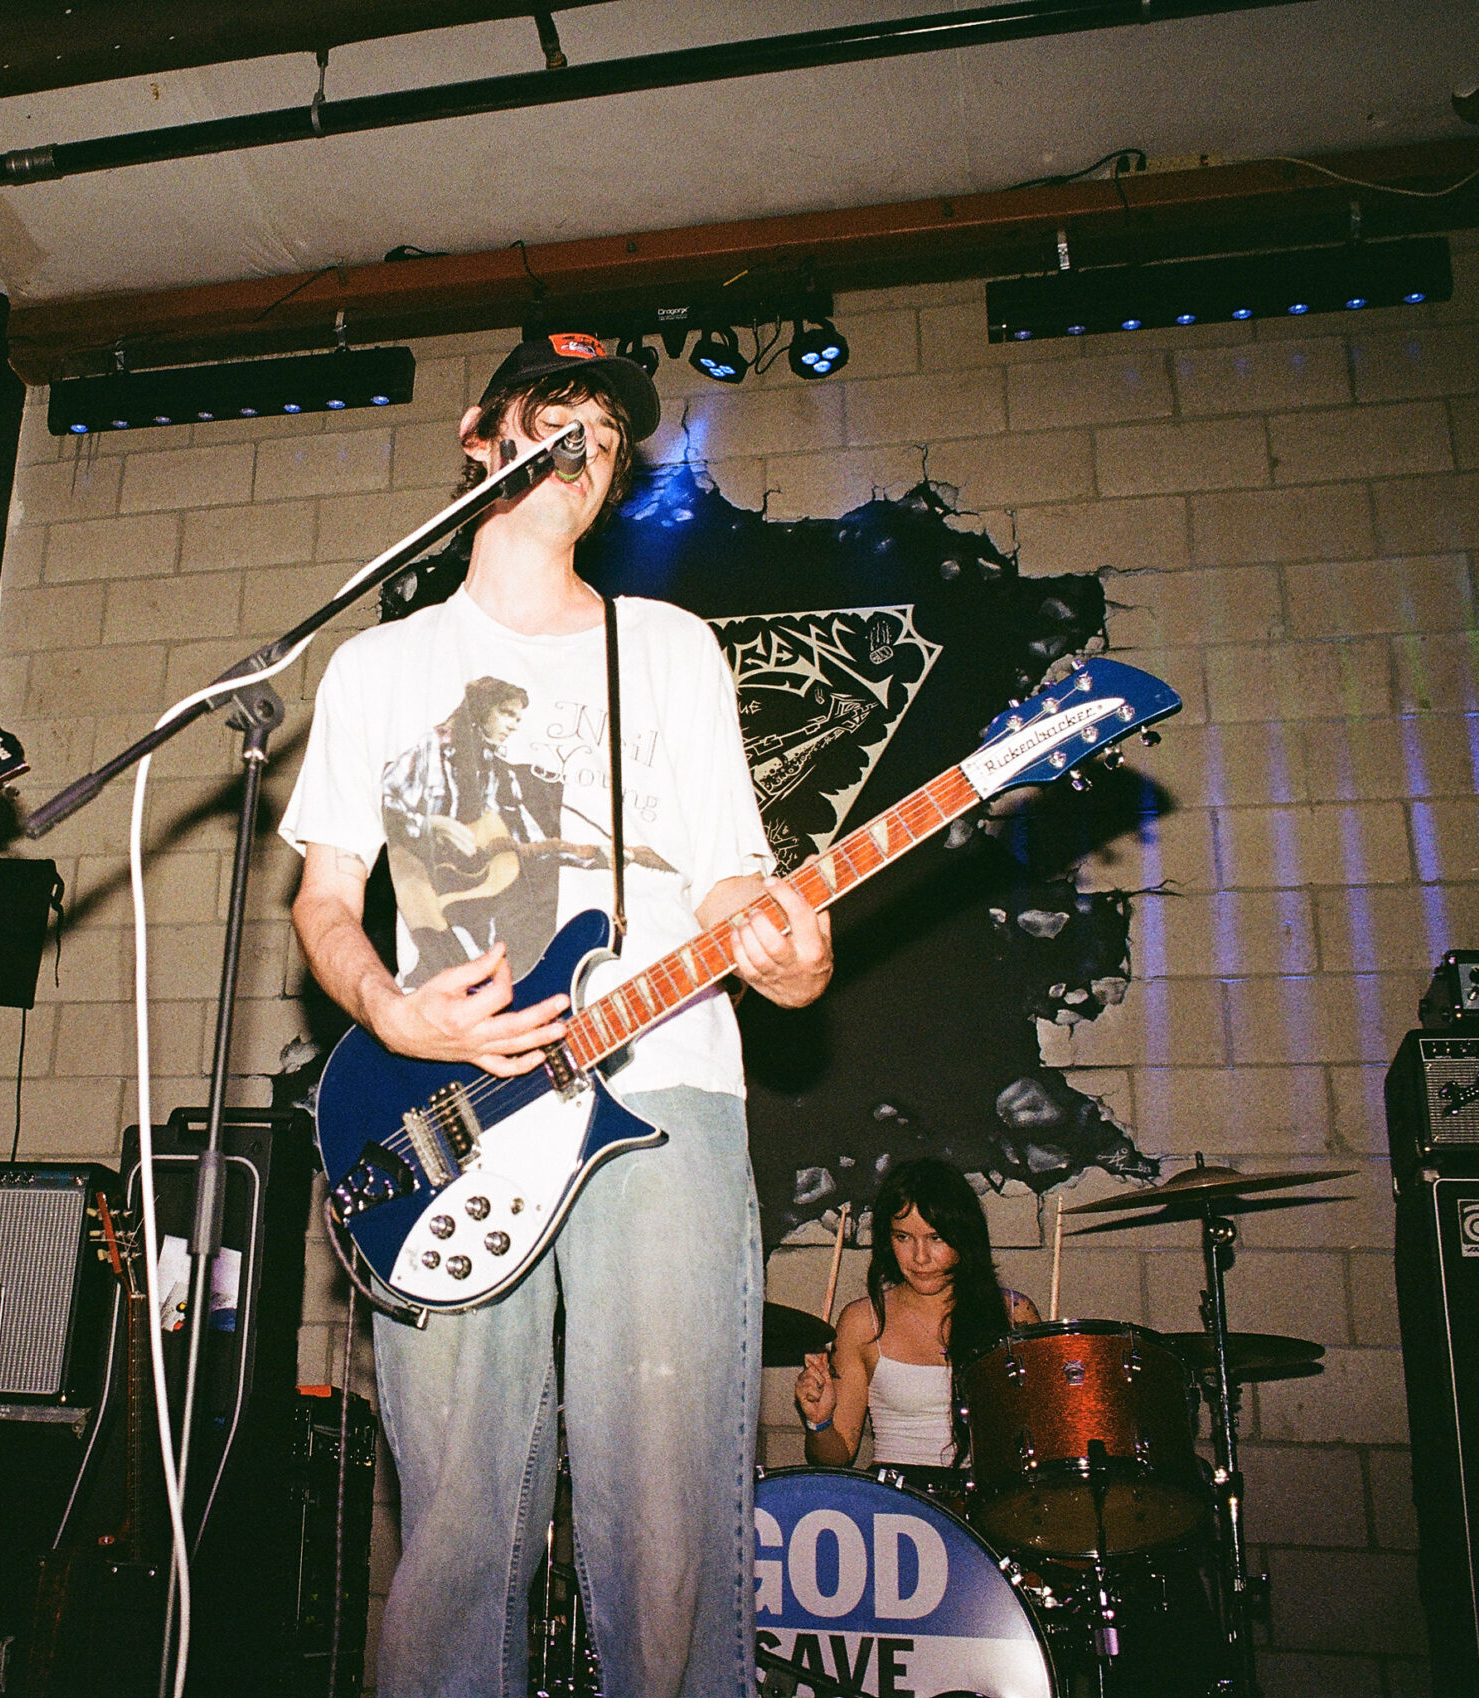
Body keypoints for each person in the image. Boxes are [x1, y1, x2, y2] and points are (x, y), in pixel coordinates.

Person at [283, 332, 835, 1698]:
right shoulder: (377, 668)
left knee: (667, 1508)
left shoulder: (669, 650)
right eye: (554, 414)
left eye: (607, 431)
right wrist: (389, 1010)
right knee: (456, 1517)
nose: (583, 443)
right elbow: (324, 900)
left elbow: (731, 883)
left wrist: (788, 955)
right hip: (451, 1111)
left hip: (664, 1083)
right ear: (481, 435)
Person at [792, 1158, 1041, 1484]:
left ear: (964, 1237)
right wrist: (819, 1421)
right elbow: (836, 1456)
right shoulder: (862, 1321)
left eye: (936, 1238)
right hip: (897, 1501)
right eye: (903, 1237)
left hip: (987, 1499)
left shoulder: (1014, 1312)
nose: (920, 1257)